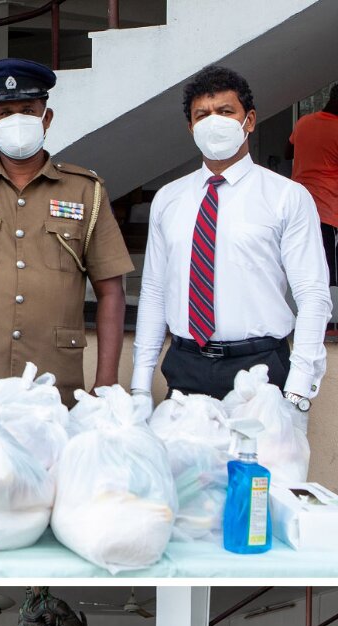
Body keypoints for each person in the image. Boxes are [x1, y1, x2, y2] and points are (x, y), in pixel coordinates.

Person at [0, 58, 133, 407]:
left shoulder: (85, 191)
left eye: (27, 110)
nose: (17, 120)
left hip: (56, 385)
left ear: (46, 118)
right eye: (5, 112)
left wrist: (105, 383)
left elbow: (111, 292)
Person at [131, 65, 331, 417]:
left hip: (262, 370)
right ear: (191, 127)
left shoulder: (287, 196)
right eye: (202, 115)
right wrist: (139, 385)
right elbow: (154, 292)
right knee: (188, 474)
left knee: (257, 473)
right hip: (185, 365)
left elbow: (313, 295)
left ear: (249, 120)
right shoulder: (169, 198)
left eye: (225, 111)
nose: (214, 122)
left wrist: (298, 389)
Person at [287, 85, 338, 330]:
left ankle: (315, 320)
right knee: (327, 267)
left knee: (309, 265)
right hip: (328, 207)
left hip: (300, 204)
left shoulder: (305, 122)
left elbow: (289, 151)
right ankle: (326, 322)